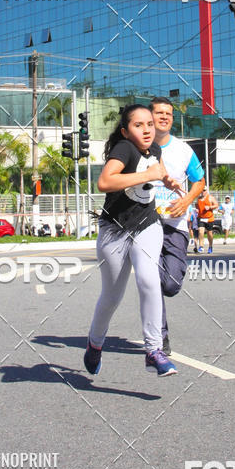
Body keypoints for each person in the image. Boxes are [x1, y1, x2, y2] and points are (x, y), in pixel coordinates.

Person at [84, 104, 180, 378]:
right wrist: (149, 175)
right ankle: (95, 343)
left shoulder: (156, 151)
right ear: (126, 131)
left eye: (150, 124)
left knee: (148, 279)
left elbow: (156, 173)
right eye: (139, 125)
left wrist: (168, 181)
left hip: (147, 225)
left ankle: (154, 350)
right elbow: (105, 181)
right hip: (114, 229)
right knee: (111, 297)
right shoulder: (124, 149)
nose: (147, 129)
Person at [149, 97, 205, 355]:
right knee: (151, 281)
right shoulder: (136, 147)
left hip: (176, 226)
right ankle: (160, 337)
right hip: (145, 226)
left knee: (170, 284)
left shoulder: (184, 150)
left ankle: (158, 288)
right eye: (159, 113)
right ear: (150, 117)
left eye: (168, 114)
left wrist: (187, 200)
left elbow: (199, 181)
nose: (164, 117)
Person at [196, 188, 218, 254]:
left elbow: (216, 205)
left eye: (204, 190)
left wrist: (210, 207)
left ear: (207, 191)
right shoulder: (199, 198)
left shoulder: (210, 198)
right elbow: (197, 205)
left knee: (209, 233)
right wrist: (197, 209)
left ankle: (210, 246)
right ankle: (201, 246)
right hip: (201, 218)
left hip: (209, 218)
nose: (203, 191)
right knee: (200, 231)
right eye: (202, 190)